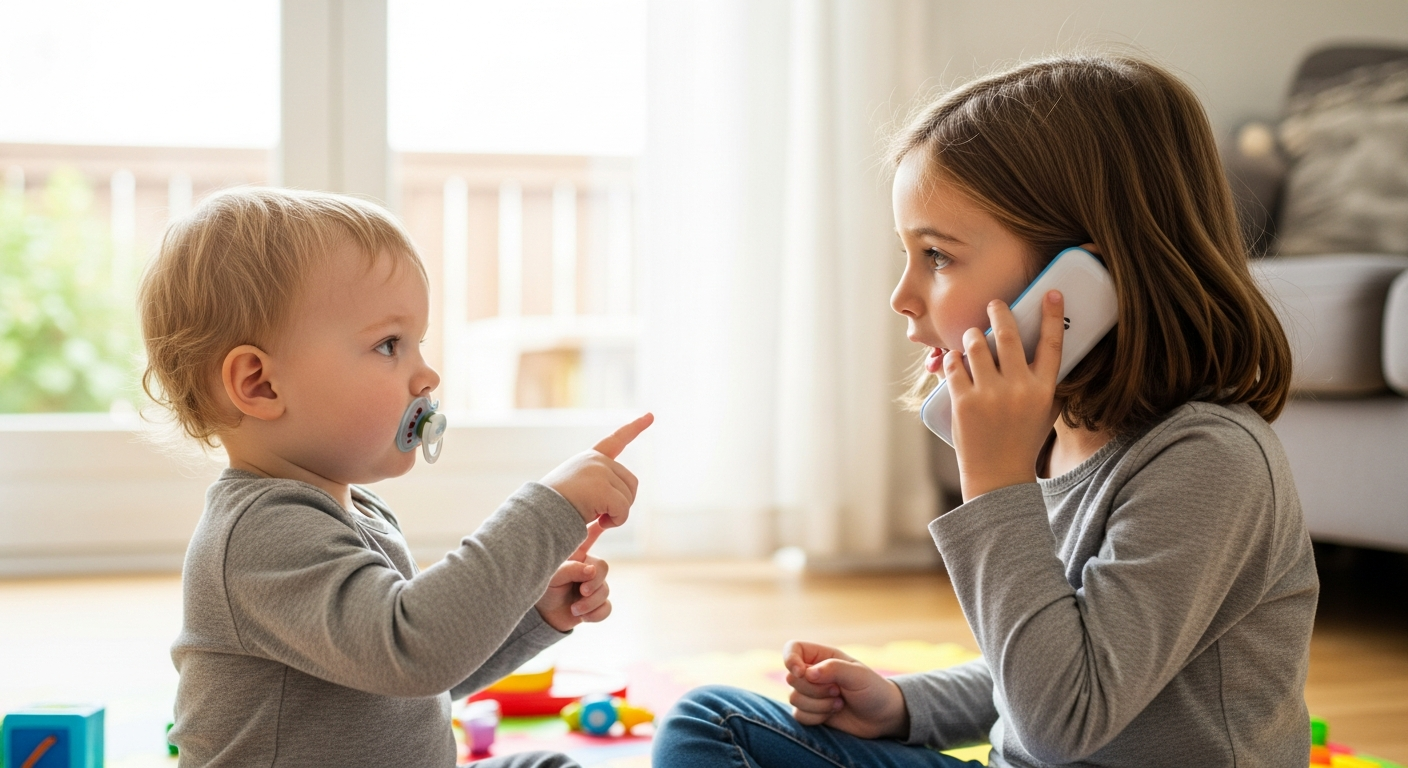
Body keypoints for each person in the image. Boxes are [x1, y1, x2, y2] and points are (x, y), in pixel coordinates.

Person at [653, 55, 1318, 768]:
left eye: (936, 255)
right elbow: (1057, 652)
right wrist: (909, 706)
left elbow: (1063, 720)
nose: (902, 295)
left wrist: (996, 487)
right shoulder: (1070, 436)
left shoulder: (1207, 462)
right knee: (711, 720)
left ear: (1085, 281)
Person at [138, 188, 652, 767]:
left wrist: (533, 615)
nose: (427, 373)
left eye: (418, 344)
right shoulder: (260, 536)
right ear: (261, 384)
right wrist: (548, 509)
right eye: (389, 345)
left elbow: (414, 685)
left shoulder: (360, 514)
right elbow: (414, 650)